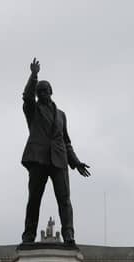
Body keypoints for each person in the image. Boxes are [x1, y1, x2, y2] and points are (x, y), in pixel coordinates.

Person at [20, 57, 91, 246]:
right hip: (38, 159)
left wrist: (75, 162)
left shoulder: (61, 115)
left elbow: (66, 141)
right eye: (39, 91)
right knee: (34, 199)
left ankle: (69, 236)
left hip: (59, 160)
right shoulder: (32, 110)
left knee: (64, 200)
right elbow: (26, 97)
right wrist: (34, 76)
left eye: (45, 90)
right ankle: (28, 236)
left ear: (51, 92)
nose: (42, 93)